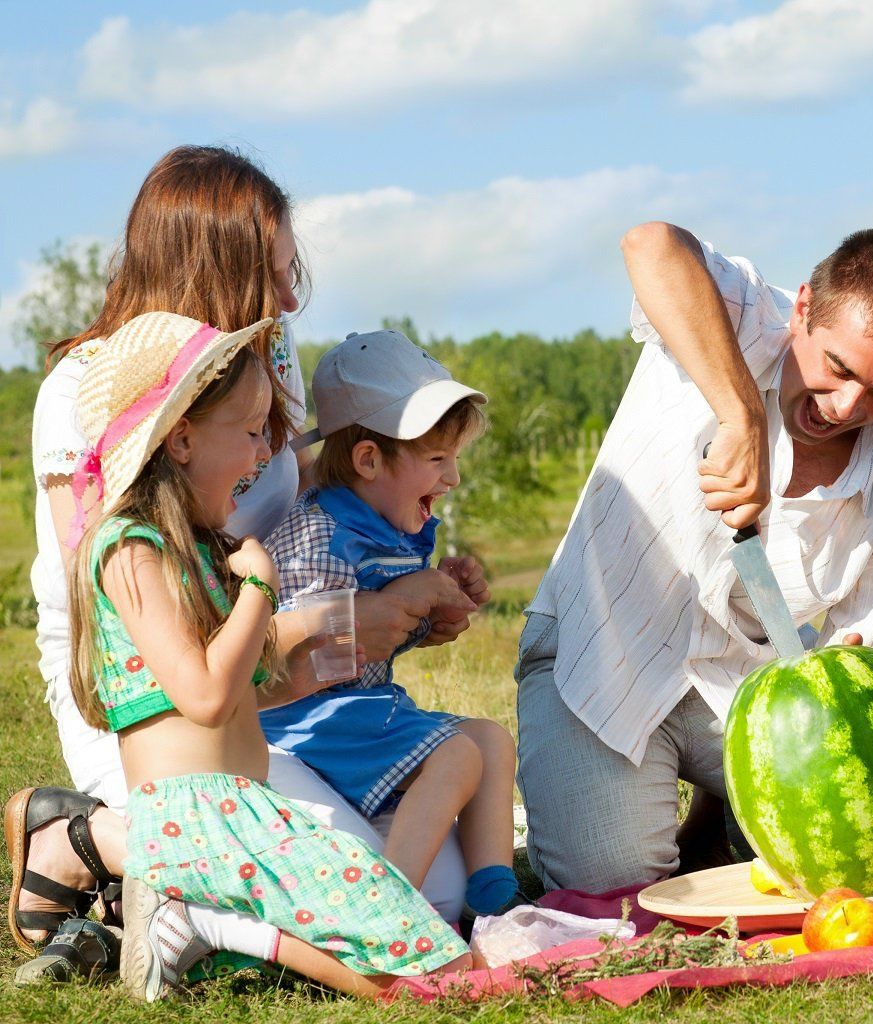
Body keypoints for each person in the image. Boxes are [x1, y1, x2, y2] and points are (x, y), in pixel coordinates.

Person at [8, 145, 469, 983]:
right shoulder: (87, 390)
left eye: (295, 271)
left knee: (441, 886)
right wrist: (301, 628)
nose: (293, 298)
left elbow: (294, 516)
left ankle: (133, 898)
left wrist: (384, 597)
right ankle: (89, 840)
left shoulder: (265, 363)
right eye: (274, 273)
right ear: (208, 270)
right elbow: (125, 610)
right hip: (151, 701)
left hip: (263, 675)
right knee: (366, 902)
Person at [517, 223, 873, 891]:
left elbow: (859, 694)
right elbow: (651, 244)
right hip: (596, 654)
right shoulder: (746, 313)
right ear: (802, 307)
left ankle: (720, 810)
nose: (847, 407)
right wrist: (741, 415)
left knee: (856, 854)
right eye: (838, 368)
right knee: (615, 881)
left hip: (747, 688)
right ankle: (715, 814)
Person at [68, 310, 475, 1000]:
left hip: (244, 810)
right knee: (425, 979)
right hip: (199, 821)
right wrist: (259, 587)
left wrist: (361, 638)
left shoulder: (198, 551)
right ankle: (200, 919)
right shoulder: (131, 550)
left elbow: (252, 689)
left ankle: (204, 931)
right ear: (184, 438)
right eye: (254, 432)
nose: (266, 455)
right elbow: (203, 696)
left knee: (434, 951)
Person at [261, 330, 521, 929]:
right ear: (369, 459)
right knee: (456, 756)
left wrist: (435, 613)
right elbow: (295, 649)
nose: (452, 477)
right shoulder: (320, 535)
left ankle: (495, 895)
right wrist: (402, 600)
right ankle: (392, 912)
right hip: (306, 719)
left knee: (489, 741)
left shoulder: (382, 521)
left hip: (358, 710)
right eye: (436, 460)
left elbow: (383, 632)